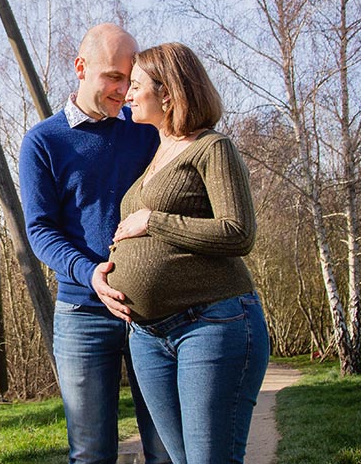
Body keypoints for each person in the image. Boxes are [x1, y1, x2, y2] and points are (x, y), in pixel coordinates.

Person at [108, 42, 269, 464]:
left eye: (136, 85)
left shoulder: (211, 147)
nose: (127, 95)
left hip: (211, 323)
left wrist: (152, 222)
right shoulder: (157, 154)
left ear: (167, 91)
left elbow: (238, 233)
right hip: (147, 336)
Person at [19, 23, 170, 464]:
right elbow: (41, 232)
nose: (123, 90)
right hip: (82, 314)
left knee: (165, 450)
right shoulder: (43, 142)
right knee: (90, 454)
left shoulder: (145, 131)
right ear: (81, 68)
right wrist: (91, 274)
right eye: (113, 77)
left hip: (152, 310)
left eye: (130, 78)